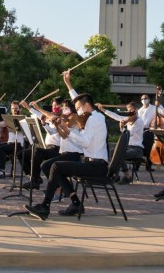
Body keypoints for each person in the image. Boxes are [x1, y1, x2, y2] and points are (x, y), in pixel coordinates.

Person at [25, 70, 108, 220]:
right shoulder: (91, 118)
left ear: (87, 106)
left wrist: (69, 132)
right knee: (56, 168)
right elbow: (77, 101)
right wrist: (68, 83)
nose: (77, 112)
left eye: (79, 109)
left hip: (97, 166)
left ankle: (45, 207)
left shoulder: (95, 119)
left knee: (56, 166)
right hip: (91, 162)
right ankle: (75, 202)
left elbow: (85, 143)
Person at [97, 101, 144, 185]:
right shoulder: (128, 118)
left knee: (120, 153)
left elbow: (129, 133)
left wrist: (122, 127)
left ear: (136, 110)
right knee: (112, 151)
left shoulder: (139, 121)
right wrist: (102, 109)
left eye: (131, 111)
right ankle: (116, 175)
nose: (129, 113)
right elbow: (116, 116)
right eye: (128, 111)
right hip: (128, 147)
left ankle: (127, 177)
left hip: (137, 149)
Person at [19, 98, 61, 190]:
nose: (54, 108)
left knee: (37, 151)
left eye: (56, 106)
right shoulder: (52, 117)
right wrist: (28, 108)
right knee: (21, 154)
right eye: (53, 106)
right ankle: (33, 176)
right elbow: (40, 115)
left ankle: (35, 180)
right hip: (48, 148)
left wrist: (44, 124)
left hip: (56, 149)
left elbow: (53, 132)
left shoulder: (61, 119)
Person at [0, 100, 25, 179]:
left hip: (19, 144)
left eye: (16, 108)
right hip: (10, 143)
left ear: (20, 109)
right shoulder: (9, 119)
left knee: (1, 148)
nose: (14, 110)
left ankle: (1, 171)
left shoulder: (23, 119)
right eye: (13, 109)